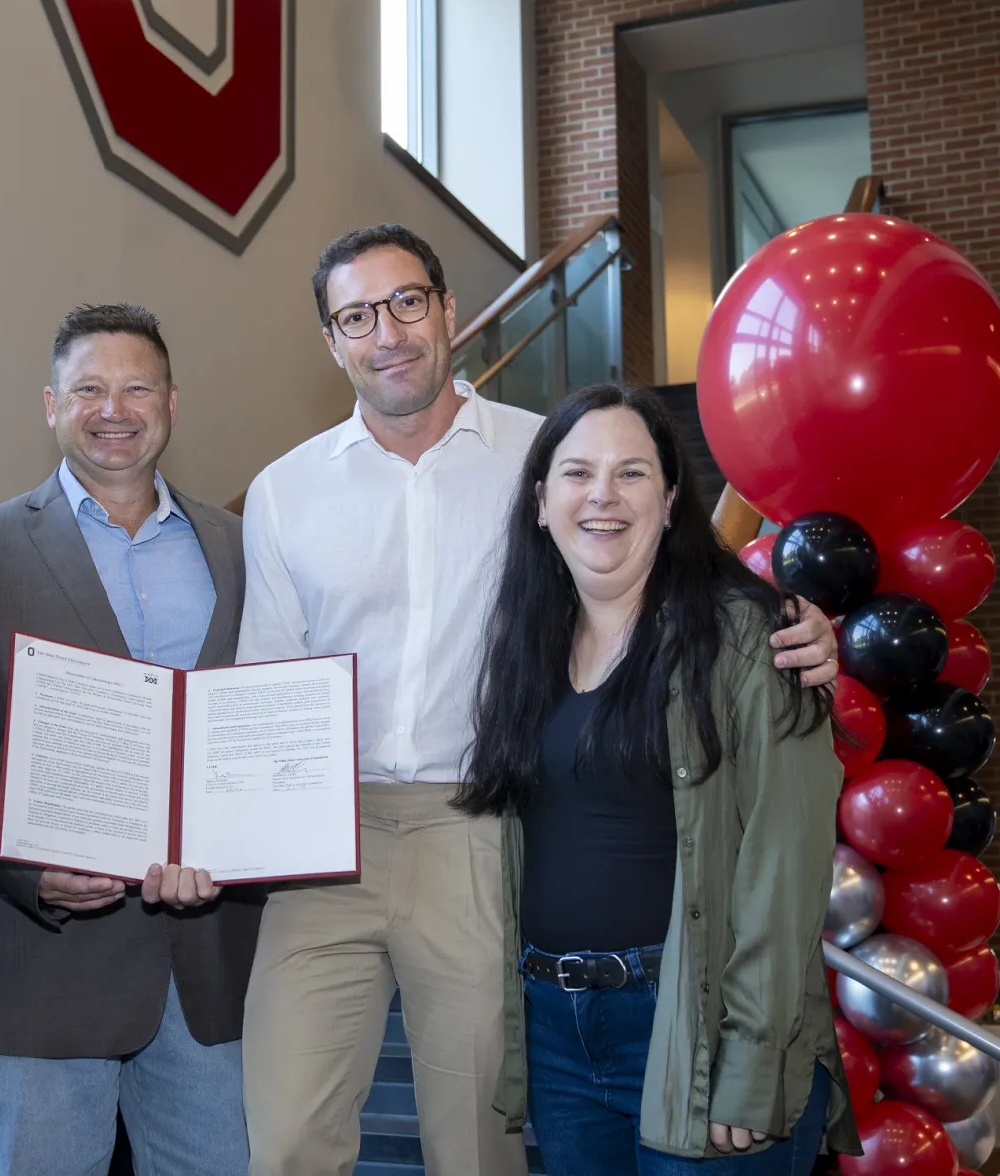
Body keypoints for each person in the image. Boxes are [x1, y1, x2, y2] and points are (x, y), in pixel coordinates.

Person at [235, 224, 841, 1176]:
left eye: (404, 303)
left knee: (477, 1145)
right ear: (332, 340)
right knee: (282, 1141)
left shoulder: (544, 457)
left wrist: (794, 623)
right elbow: (262, 693)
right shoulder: (281, 492)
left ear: (445, 314)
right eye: (356, 315)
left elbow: (669, 568)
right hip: (326, 838)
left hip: (474, 823)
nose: (385, 332)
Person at [460, 383, 859, 1172]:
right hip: (557, 1030)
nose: (601, 496)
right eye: (576, 473)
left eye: (631, 473)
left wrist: (748, 1060)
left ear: (672, 500)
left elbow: (784, 867)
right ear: (540, 502)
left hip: (695, 1025)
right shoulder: (524, 646)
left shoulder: (746, 635)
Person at [0, 303, 261, 1176]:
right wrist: (28, 859)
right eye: (88, 389)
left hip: (212, 970)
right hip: (44, 962)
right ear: (50, 405)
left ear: (172, 403)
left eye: (136, 387)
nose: (115, 408)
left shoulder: (246, 547)